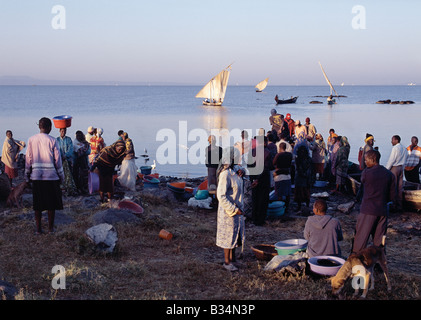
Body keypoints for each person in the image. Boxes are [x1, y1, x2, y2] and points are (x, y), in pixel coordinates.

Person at [25, 117, 65, 235]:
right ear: (49, 127)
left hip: (37, 176)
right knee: (51, 204)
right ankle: (50, 229)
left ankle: (38, 229)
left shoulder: (31, 139)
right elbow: (58, 161)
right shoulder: (53, 140)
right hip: (51, 176)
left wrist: (27, 176)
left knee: (38, 204)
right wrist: (61, 176)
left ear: (39, 127)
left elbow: (28, 159)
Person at [352, 149, 395, 253]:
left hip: (368, 210)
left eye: (366, 160)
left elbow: (362, 190)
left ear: (373, 159)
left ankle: (356, 261)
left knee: (361, 238)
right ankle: (379, 264)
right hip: (382, 210)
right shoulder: (389, 174)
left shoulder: (366, 173)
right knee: (379, 240)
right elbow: (392, 196)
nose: (365, 162)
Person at [216, 147, 245, 272]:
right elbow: (221, 195)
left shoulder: (235, 171)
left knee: (235, 235)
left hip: (237, 209)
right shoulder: (225, 174)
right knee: (228, 236)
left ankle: (233, 259)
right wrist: (233, 209)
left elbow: (243, 172)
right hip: (229, 211)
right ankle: (227, 262)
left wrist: (243, 173)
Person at [249, 136, 273, 225]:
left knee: (255, 198)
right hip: (263, 179)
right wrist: (258, 179)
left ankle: (254, 218)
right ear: (265, 142)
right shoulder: (267, 152)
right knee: (263, 199)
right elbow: (267, 167)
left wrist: (253, 179)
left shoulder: (252, 152)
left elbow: (249, 166)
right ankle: (260, 220)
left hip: (254, 178)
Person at [385, 135, 406, 211]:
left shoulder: (395, 148)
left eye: (392, 140)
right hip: (401, 168)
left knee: (393, 187)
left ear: (396, 140)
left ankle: (393, 206)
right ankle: (400, 205)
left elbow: (391, 160)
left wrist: (386, 169)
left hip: (395, 168)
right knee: (400, 187)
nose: (391, 141)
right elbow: (405, 159)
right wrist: (402, 168)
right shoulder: (404, 148)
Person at [57, 127, 78, 196]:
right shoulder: (57, 140)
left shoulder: (68, 139)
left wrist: (65, 156)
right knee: (60, 174)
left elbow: (71, 149)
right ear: (59, 131)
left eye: (64, 131)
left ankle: (69, 188)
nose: (63, 132)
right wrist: (60, 156)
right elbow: (56, 149)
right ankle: (61, 188)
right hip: (59, 161)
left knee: (69, 174)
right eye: (62, 131)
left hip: (67, 160)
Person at [273, 142, 293, 211]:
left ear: (279, 148)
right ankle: (287, 207)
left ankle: (280, 208)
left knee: (279, 194)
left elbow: (273, 163)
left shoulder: (278, 155)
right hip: (287, 175)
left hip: (279, 176)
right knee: (287, 193)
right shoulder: (290, 155)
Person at [294, 144, 312, 213]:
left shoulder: (298, 159)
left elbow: (298, 169)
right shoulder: (309, 159)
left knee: (299, 193)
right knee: (306, 192)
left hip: (300, 178)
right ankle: (307, 206)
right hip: (306, 178)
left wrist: (303, 174)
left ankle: (299, 206)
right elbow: (310, 169)